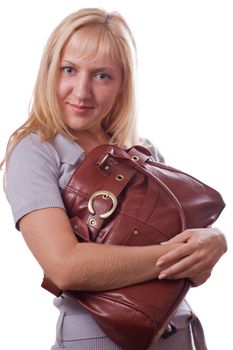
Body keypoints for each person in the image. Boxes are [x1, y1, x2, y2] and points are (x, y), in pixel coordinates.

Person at [1, 8, 227, 350]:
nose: (81, 91)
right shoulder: (35, 151)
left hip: (179, 331)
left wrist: (213, 243)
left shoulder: (142, 151)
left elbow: (194, 274)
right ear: (49, 72)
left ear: (122, 84)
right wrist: (174, 255)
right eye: (69, 70)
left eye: (102, 76)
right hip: (100, 339)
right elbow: (65, 267)